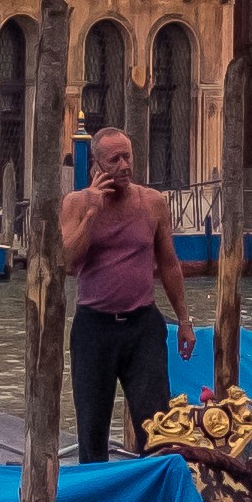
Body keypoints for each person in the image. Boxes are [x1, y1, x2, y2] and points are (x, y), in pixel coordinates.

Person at [55, 127, 185, 457]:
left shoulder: (153, 203)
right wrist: (91, 213)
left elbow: (169, 264)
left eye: (128, 157)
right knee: (92, 427)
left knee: (156, 427)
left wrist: (184, 319)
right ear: (96, 166)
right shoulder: (75, 203)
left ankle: (153, 493)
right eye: (115, 159)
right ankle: (96, 495)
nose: (124, 165)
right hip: (93, 327)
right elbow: (68, 260)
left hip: (142, 325)